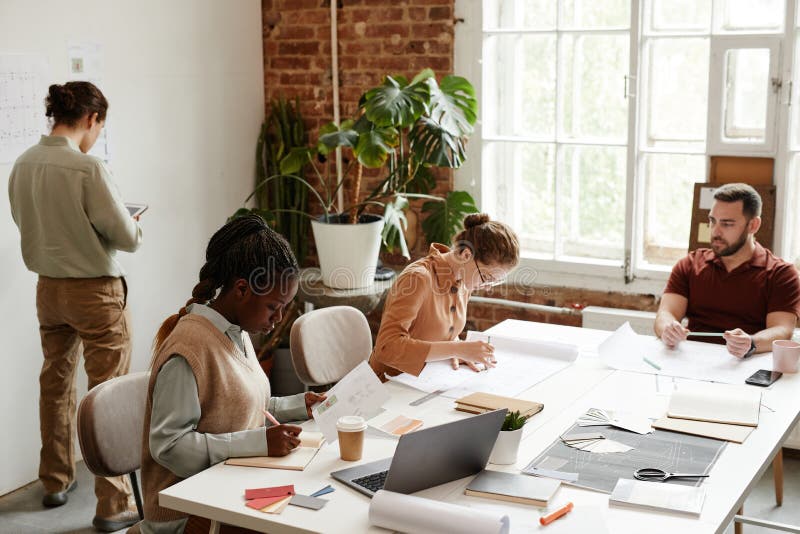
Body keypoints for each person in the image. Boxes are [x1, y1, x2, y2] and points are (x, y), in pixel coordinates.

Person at [8, 81, 142, 531]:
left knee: (55, 383)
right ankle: (113, 503)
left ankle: (54, 480)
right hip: (96, 294)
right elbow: (126, 237)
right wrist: (132, 223)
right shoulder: (88, 168)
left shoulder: (23, 164)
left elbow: (26, 221)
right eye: (99, 126)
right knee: (108, 392)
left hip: (49, 290)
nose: (97, 135)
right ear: (90, 118)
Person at [137, 214, 325, 534]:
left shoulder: (236, 331)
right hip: (187, 514)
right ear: (241, 289)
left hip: (227, 491)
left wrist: (299, 405)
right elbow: (170, 447)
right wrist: (258, 442)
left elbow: (238, 405)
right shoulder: (188, 350)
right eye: (273, 307)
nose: (279, 318)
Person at [655, 183, 800, 358]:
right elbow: (666, 314)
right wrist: (668, 329)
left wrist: (751, 342)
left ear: (753, 225)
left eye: (727, 224)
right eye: (712, 221)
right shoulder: (690, 264)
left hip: (747, 362)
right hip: (691, 360)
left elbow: (782, 330)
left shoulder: (781, 274)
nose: (715, 232)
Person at [369, 213, 520, 380]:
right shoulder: (418, 278)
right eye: (486, 277)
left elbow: (442, 333)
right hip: (387, 383)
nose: (488, 287)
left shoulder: (464, 280)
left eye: (495, 281)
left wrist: (459, 350)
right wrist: (457, 349)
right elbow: (387, 347)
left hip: (427, 378)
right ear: (466, 255)